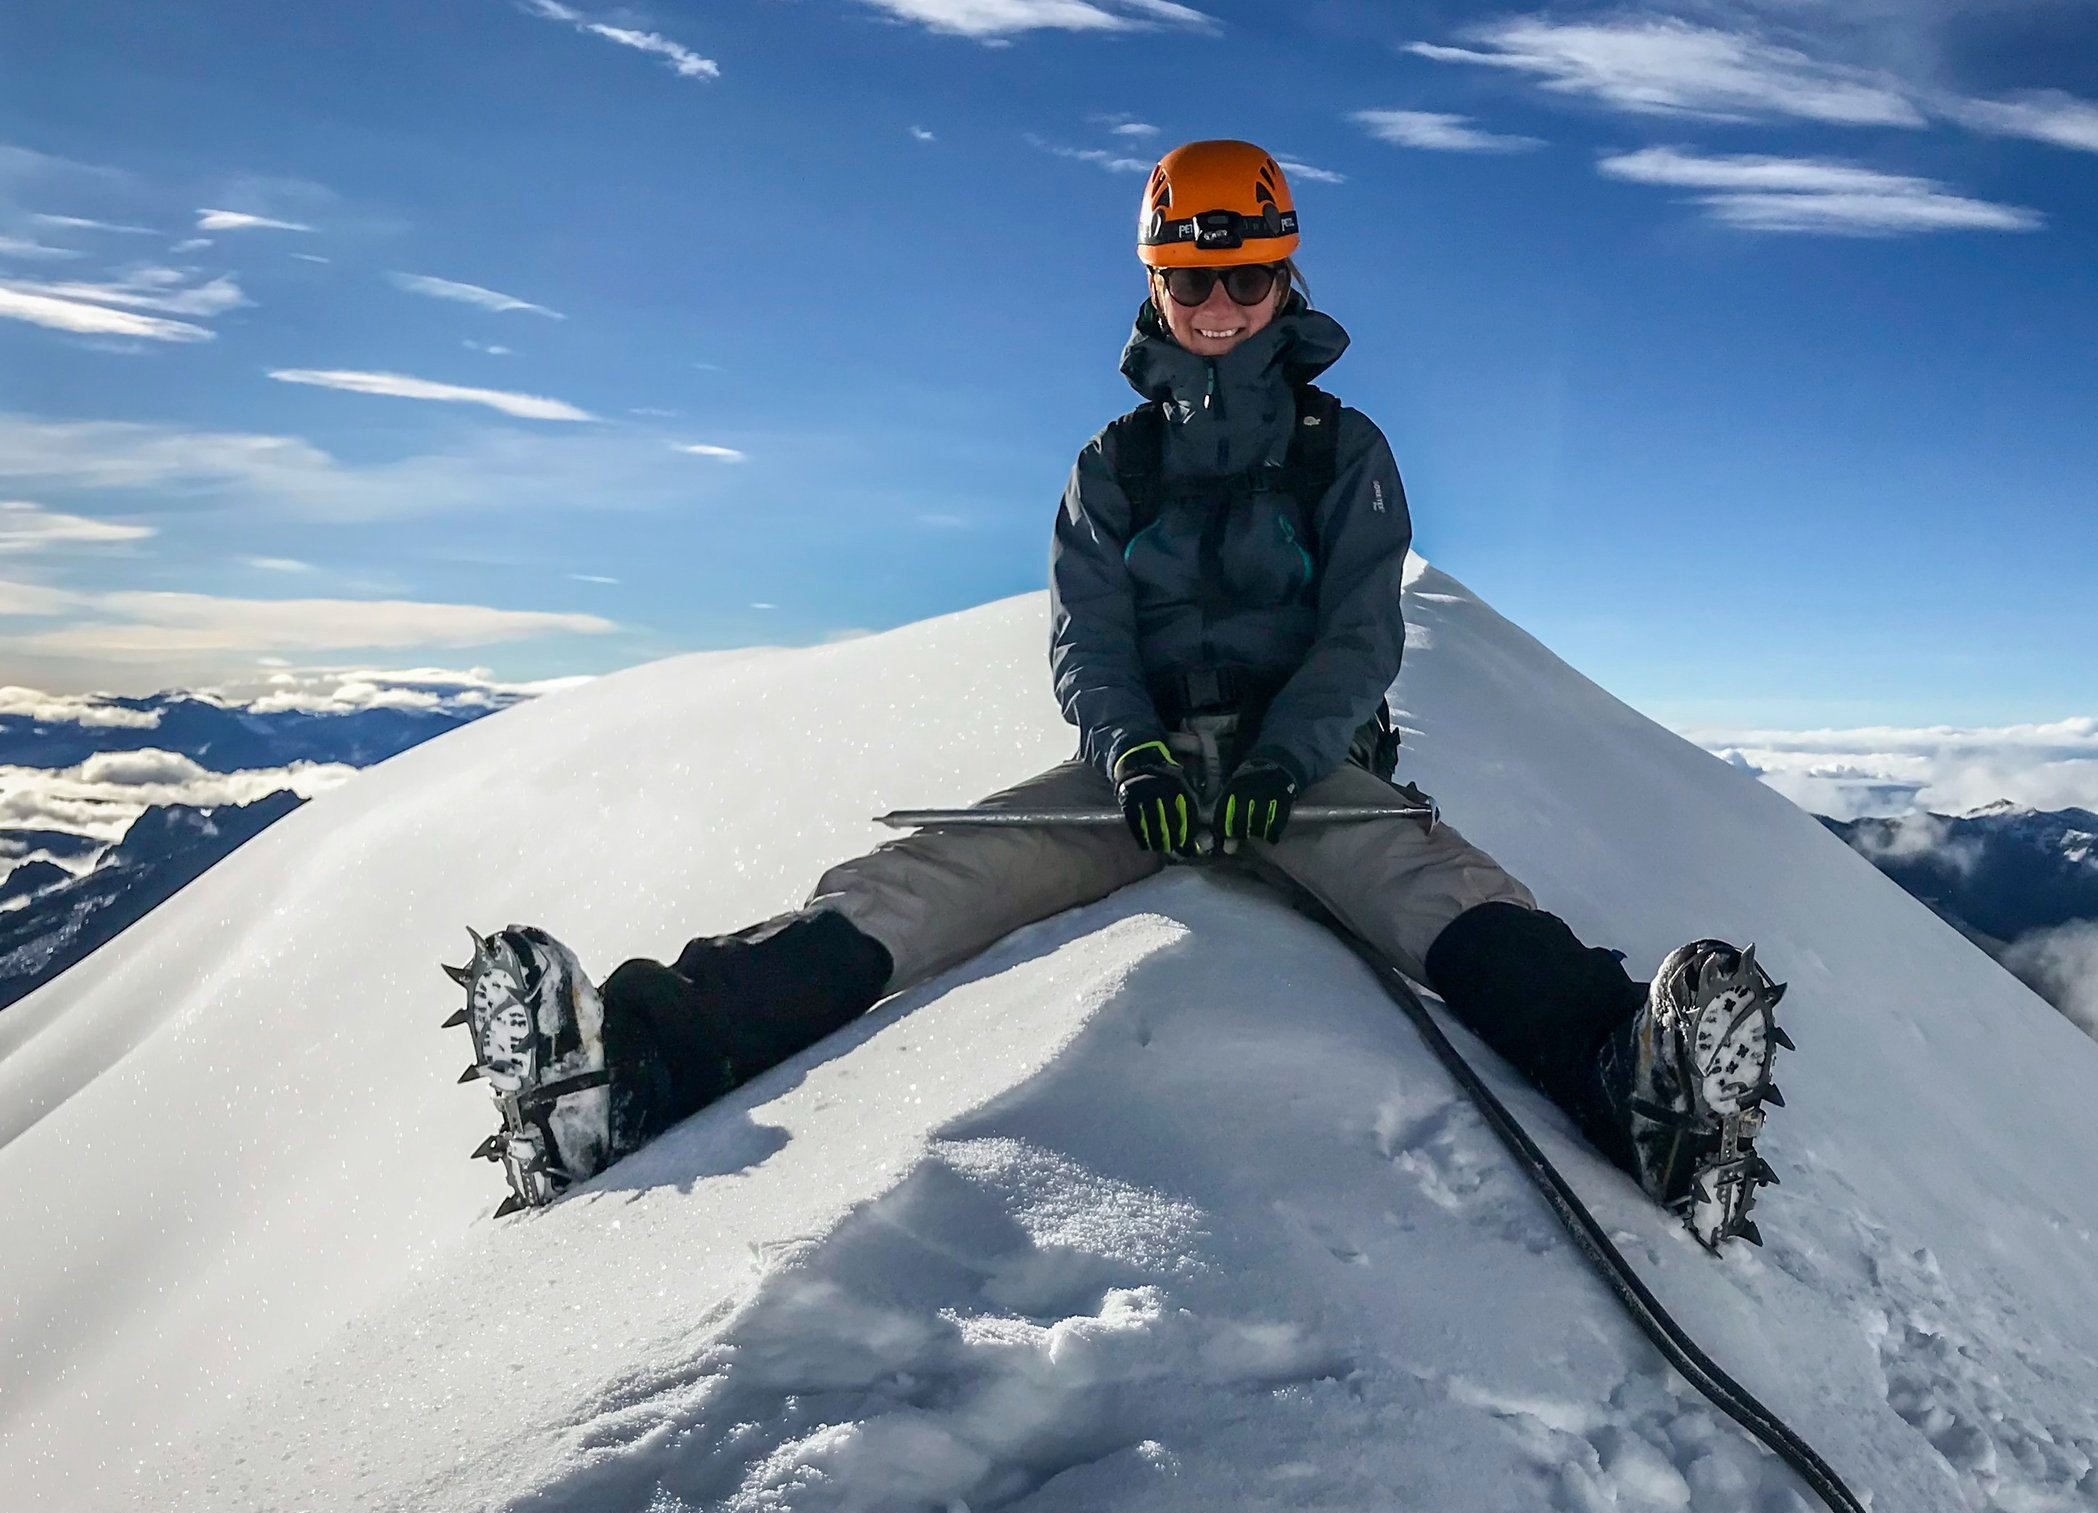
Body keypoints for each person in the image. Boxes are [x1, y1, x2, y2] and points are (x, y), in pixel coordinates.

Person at [449, 140, 1787, 1248]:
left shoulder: (1345, 452)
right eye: (1193, 284)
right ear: (1156, 286)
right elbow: (1087, 638)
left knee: (1445, 898)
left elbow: (1359, 631)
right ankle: (633, 1069)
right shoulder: (1112, 466)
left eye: (1249, 280)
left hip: (1299, 768)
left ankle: (1642, 1090)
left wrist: (1287, 754)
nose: (1221, 310)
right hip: (1141, 778)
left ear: (1285, 277)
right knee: (918, 884)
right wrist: (1135, 756)